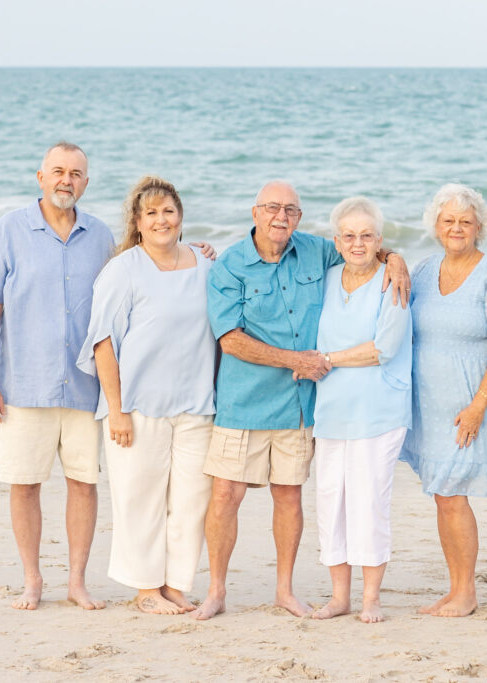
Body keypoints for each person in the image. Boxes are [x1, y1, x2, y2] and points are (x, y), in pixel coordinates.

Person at [192, 181, 409, 620]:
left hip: (299, 402)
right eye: (272, 208)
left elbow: (361, 250)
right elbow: (230, 339)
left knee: (289, 497)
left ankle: (285, 590)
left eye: (291, 210)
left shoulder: (315, 251)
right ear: (255, 212)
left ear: (300, 217)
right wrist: (297, 359)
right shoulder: (231, 265)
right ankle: (216, 590)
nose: (281, 217)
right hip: (244, 400)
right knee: (226, 495)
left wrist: (398, 259)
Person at [0, 141, 113, 611]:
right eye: (57, 171)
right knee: (24, 483)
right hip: (23, 386)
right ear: (40, 177)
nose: (65, 180)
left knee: (83, 483)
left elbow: (139, 276)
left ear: (86, 183)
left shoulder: (102, 236)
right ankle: (32, 579)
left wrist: (195, 249)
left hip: (86, 386)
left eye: (75, 173)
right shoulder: (10, 229)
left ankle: (76, 580)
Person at [76, 176, 216, 615]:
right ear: (137, 222)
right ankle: (145, 589)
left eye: (169, 211)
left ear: (181, 217)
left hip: (197, 404)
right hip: (136, 407)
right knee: (141, 500)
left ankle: (176, 585)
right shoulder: (123, 269)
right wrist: (115, 410)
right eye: (151, 213)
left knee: (192, 500)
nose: (161, 219)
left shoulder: (205, 264)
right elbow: (103, 342)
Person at [400, 183, 487, 618]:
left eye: (465, 222)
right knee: (442, 495)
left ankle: (466, 592)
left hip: (469, 404)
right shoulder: (423, 269)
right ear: (436, 225)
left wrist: (478, 406)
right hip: (428, 405)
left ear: (479, 228)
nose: (456, 228)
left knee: (452, 495)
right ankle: (455, 589)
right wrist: (388, 257)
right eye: (448, 220)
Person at [309, 197, 412, 624]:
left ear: (379, 241)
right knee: (330, 501)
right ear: (336, 241)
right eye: (349, 236)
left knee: (369, 503)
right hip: (331, 411)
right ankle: (339, 597)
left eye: (367, 236)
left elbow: (383, 348)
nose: (357, 243)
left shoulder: (394, 282)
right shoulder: (327, 278)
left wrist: (325, 359)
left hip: (378, 411)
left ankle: (371, 598)